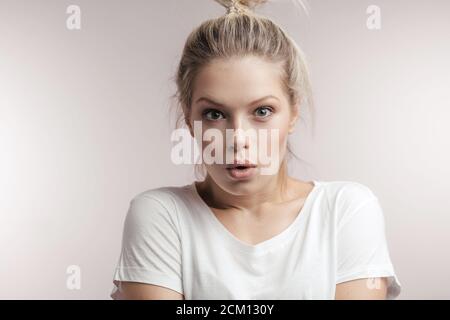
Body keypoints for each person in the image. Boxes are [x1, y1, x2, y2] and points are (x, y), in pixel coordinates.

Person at [110, 0, 401, 300]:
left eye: (262, 111)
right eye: (214, 114)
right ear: (189, 118)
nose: (238, 139)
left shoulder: (346, 211)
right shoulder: (161, 216)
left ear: (293, 113)